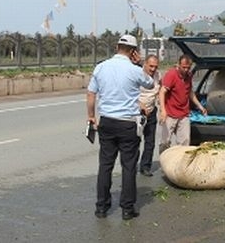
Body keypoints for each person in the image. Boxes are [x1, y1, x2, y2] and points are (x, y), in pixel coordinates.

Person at [86, 35, 155, 220]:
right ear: (133, 51)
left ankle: (101, 207)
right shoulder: (135, 70)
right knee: (129, 166)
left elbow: (91, 94)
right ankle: (127, 209)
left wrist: (91, 117)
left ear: (117, 46)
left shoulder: (100, 67)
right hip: (127, 124)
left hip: (107, 122)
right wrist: (139, 63)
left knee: (105, 165)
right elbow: (150, 83)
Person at [158, 54, 207, 153]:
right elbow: (162, 92)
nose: (186, 70)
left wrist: (200, 106)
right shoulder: (171, 75)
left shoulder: (189, 76)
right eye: (184, 67)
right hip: (170, 114)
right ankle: (164, 161)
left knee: (184, 143)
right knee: (165, 142)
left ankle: (181, 164)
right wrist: (163, 111)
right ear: (178, 65)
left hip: (184, 114)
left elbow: (190, 92)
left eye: (188, 68)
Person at [138, 55, 161, 177]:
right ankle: (131, 165)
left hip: (151, 111)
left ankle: (145, 166)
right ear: (145, 64)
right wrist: (141, 105)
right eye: (151, 66)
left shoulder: (158, 75)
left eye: (155, 67)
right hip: (137, 113)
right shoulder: (137, 74)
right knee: (134, 141)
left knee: (150, 141)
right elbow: (130, 92)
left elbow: (160, 91)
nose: (153, 69)